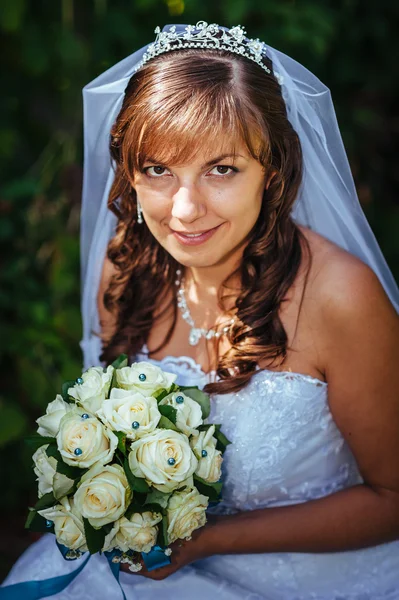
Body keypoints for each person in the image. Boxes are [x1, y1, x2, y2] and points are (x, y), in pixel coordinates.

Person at [2, 21, 399, 600]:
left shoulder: (340, 298)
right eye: (159, 170)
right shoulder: (125, 269)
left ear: (274, 171)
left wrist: (208, 540)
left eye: (222, 169)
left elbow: (394, 500)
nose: (185, 210)